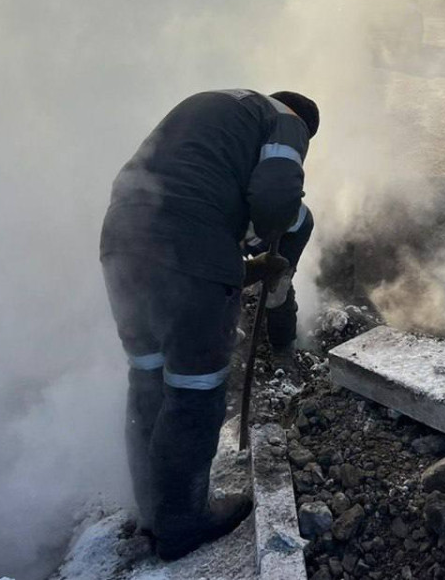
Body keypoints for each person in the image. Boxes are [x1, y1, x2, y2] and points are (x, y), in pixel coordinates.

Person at [100, 89, 319, 560]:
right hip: (186, 245)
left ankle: (153, 512)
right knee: (194, 387)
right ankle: (181, 525)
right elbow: (277, 194)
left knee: (147, 377)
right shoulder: (287, 120)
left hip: (122, 242)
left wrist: (243, 263)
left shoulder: (219, 112)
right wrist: (273, 240)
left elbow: (197, 192)